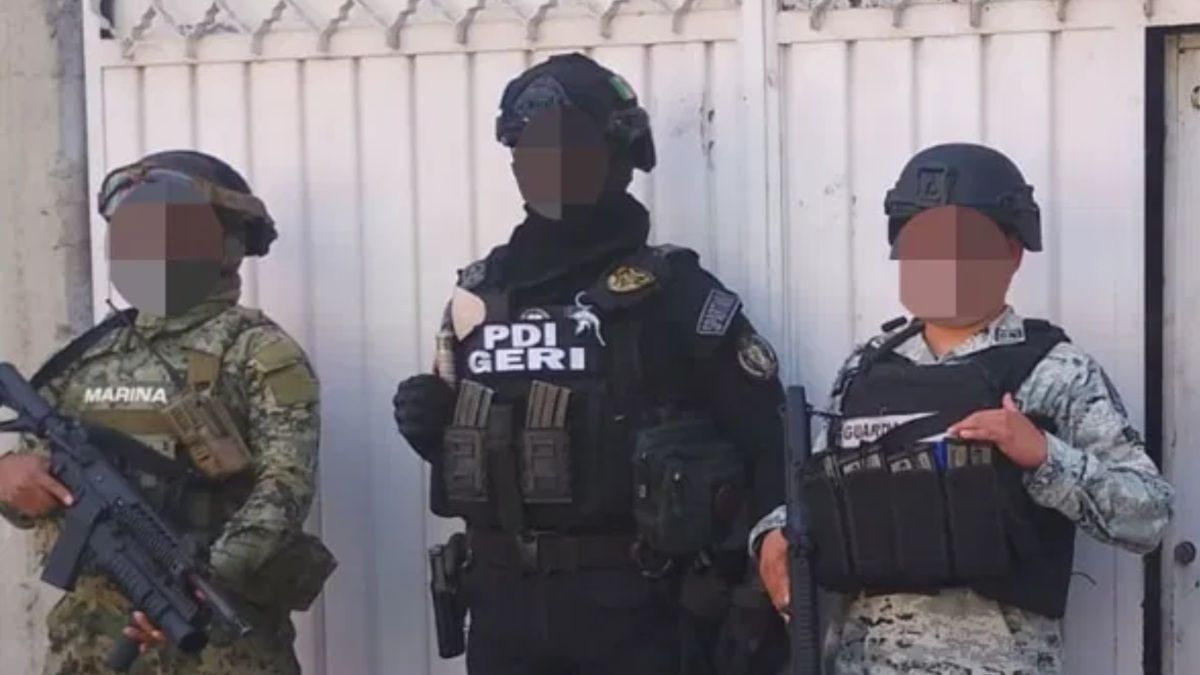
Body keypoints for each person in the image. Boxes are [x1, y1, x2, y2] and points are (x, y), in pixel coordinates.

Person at [393, 53, 786, 675]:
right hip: (503, 607)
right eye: (534, 149)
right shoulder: (478, 297)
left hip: (638, 610)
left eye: (572, 148)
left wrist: (752, 593)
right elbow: (475, 458)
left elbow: (771, 443)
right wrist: (432, 427)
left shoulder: (674, 292)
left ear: (621, 155)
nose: (552, 167)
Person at [752, 142, 1175, 674]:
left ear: (1012, 252)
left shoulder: (1056, 370)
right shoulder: (866, 367)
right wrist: (774, 535)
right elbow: (820, 489)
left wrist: (1044, 455)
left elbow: (1148, 516)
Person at [0, 150, 335, 675]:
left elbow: (284, 492)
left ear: (225, 244)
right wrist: (10, 476)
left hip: (215, 640)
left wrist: (194, 585)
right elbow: (32, 485)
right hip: (91, 641)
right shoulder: (87, 356)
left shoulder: (258, 352)